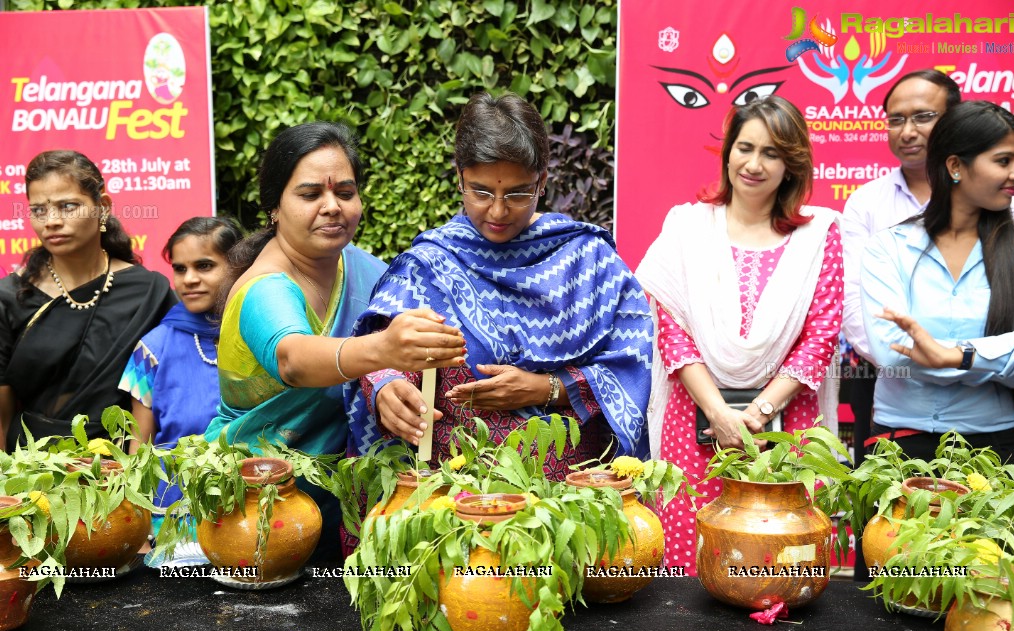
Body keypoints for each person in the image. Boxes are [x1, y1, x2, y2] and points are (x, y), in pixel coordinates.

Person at [347, 92, 653, 477]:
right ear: (460, 177)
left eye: (517, 193)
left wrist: (547, 389)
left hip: (569, 504)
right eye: (480, 191)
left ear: (542, 181)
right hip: (453, 499)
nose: (497, 210)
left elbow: (631, 362)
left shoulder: (590, 263)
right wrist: (386, 388)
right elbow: (379, 346)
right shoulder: (430, 264)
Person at [204, 121, 465, 557]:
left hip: (346, 498)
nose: (332, 207)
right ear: (274, 207)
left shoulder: (366, 270)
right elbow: (294, 359)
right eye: (310, 195)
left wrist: (385, 382)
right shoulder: (264, 288)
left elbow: (386, 361)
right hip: (258, 505)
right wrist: (381, 350)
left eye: (344, 192)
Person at [636, 96, 843, 571]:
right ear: (728, 151)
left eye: (771, 153)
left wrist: (758, 413)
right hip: (697, 423)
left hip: (788, 426)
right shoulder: (687, 227)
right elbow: (672, 330)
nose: (754, 164)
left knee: (780, 563)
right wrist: (719, 413)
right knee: (691, 564)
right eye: (745, 148)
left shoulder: (819, 236)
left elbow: (821, 337)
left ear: (792, 166)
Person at [862, 100, 1014, 461]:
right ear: (955, 166)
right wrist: (1000, 361)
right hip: (901, 444)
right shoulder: (889, 247)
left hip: (1001, 448)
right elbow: (893, 353)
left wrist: (955, 356)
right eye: (1003, 160)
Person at [0, 150, 177, 450]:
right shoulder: (12, 297)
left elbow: (161, 395)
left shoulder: (149, 292)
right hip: (30, 472)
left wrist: (133, 475)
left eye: (67, 206)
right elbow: (2, 416)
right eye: (39, 210)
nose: (51, 221)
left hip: (120, 469)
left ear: (102, 207)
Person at [841, 70, 962, 464]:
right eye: (896, 120)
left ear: (955, 120)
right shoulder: (866, 203)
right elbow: (855, 306)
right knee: (890, 515)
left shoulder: (1000, 197)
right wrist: (911, 358)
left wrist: (962, 357)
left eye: (923, 117)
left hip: (982, 383)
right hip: (887, 381)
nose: (907, 131)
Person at [118, 216, 243, 517]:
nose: (189, 279)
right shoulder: (150, 349)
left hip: (248, 508)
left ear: (239, 266)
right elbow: (139, 447)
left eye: (204, 266)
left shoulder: (259, 338)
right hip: (172, 515)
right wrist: (140, 521)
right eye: (179, 268)